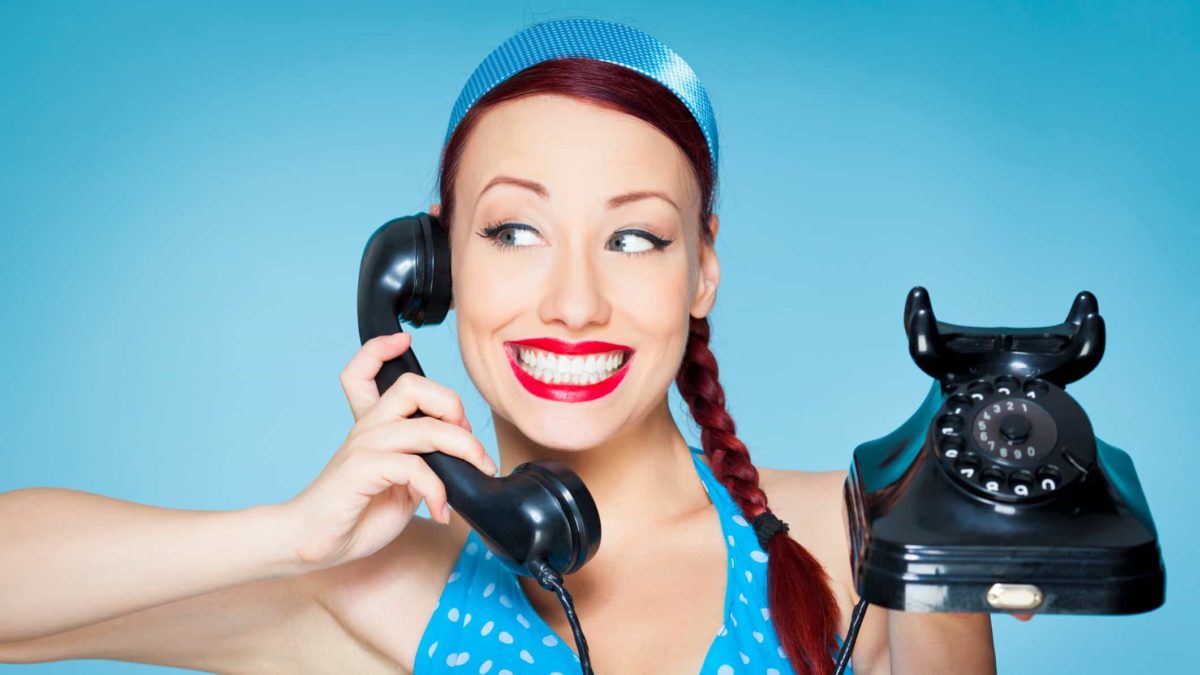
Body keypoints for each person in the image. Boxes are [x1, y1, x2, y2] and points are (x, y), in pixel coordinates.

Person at [0, 18, 1004, 675]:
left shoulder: (865, 538)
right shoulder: (380, 590)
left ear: (702, 268)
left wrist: (951, 565)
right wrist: (291, 535)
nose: (572, 303)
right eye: (515, 232)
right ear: (432, 265)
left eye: (634, 238)